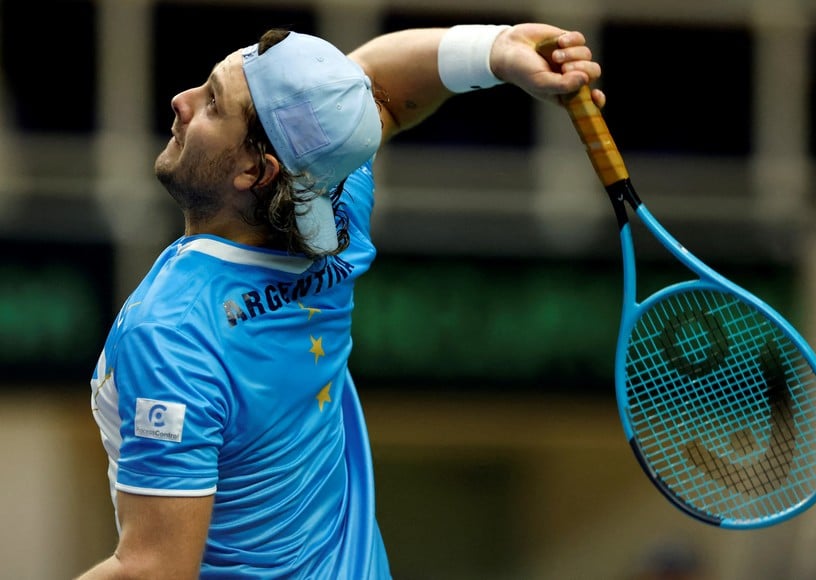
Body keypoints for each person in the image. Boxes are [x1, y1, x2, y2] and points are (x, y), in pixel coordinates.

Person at [77, 22, 605, 579]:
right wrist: (495, 51)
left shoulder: (173, 333)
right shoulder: (332, 209)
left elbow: (153, 569)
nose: (181, 103)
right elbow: (376, 88)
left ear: (257, 171)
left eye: (213, 104)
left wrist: (495, 54)